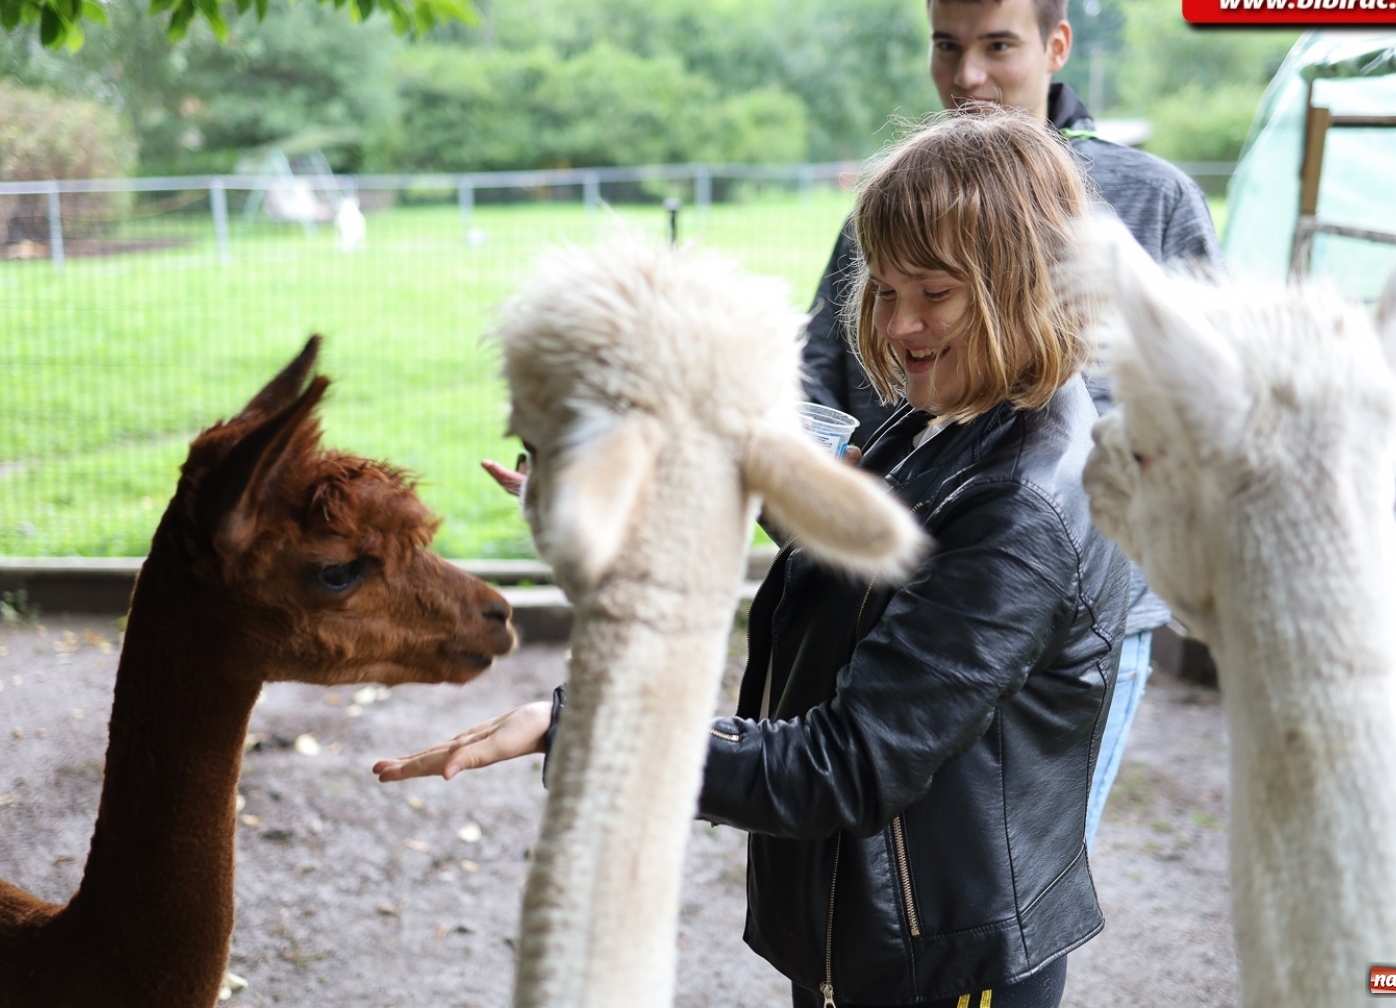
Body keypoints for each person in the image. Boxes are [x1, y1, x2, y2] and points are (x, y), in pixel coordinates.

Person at [375, 109, 1131, 1008]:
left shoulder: (1021, 508)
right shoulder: (954, 417)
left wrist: (593, 729)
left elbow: (847, 764)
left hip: (941, 964)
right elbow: (855, 563)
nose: (898, 325)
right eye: (885, 291)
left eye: (934, 292)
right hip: (875, 933)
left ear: (1020, 280)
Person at [803, 0, 1222, 847]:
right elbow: (821, 381)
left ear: (1057, 45)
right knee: (897, 842)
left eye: (997, 46)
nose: (968, 74)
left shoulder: (1148, 201)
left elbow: (1207, 408)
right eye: (946, 47)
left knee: (1008, 859)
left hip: (1080, 593)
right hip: (916, 575)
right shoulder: (898, 200)